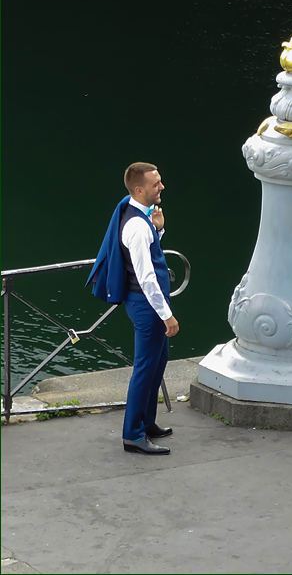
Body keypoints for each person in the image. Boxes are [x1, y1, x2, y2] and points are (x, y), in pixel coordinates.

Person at [87, 162, 180, 455]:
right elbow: (146, 276)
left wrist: (159, 230)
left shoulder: (138, 214)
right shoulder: (137, 227)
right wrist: (167, 315)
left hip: (146, 303)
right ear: (140, 190)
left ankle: (146, 422)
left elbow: (149, 255)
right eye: (156, 184)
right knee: (144, 368)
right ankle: (133, 435)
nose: (161, 187)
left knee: (158, 362)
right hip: (146, 305)